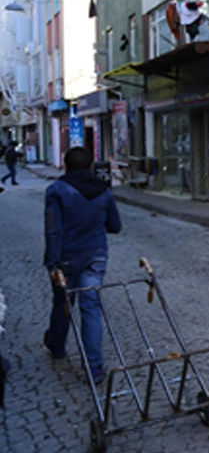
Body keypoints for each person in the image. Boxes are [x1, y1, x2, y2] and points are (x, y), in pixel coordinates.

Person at [43, 147, 122, 383]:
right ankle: (94, 367)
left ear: (65, 166)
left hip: (66, 258)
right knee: (91, 308)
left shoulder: (56, 190)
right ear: (90, 167)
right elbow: (115, 226)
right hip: (95, 257)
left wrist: (52, 264)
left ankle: (57, 345)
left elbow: (53, 230)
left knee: (62, 303)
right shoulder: (104, 191)